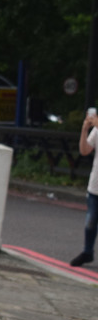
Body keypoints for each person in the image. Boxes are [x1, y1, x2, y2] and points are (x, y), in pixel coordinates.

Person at [69, 108, 98, 267]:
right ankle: (87, 252)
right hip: (95, 185)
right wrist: (84, 130)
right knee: (90, 223)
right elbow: (84, 150)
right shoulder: (96, 130)